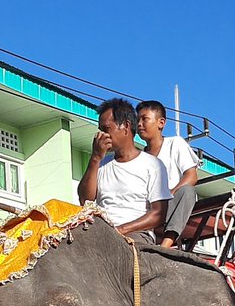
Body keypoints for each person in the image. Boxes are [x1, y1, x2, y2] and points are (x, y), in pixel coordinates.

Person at [78, 98, 170, 242]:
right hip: (100, 232)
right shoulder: (100, 163)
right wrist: (95, 158)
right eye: (100, 131)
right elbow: (85, 200)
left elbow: (158, 213)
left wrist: (120, 230)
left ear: (126, 126)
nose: (102, 136)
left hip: (137, 235)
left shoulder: (153, 165)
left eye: (106, 129)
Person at [136, 100, 199, 248]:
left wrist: (169, 193)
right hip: (147, 208)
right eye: (137, 120)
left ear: (161, 123)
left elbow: (192, 176)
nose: (139, 124)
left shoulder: (175, 143)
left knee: (187, 191)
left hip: (170, 201)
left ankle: (166, 245)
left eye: (144, 119)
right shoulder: (139, 157)